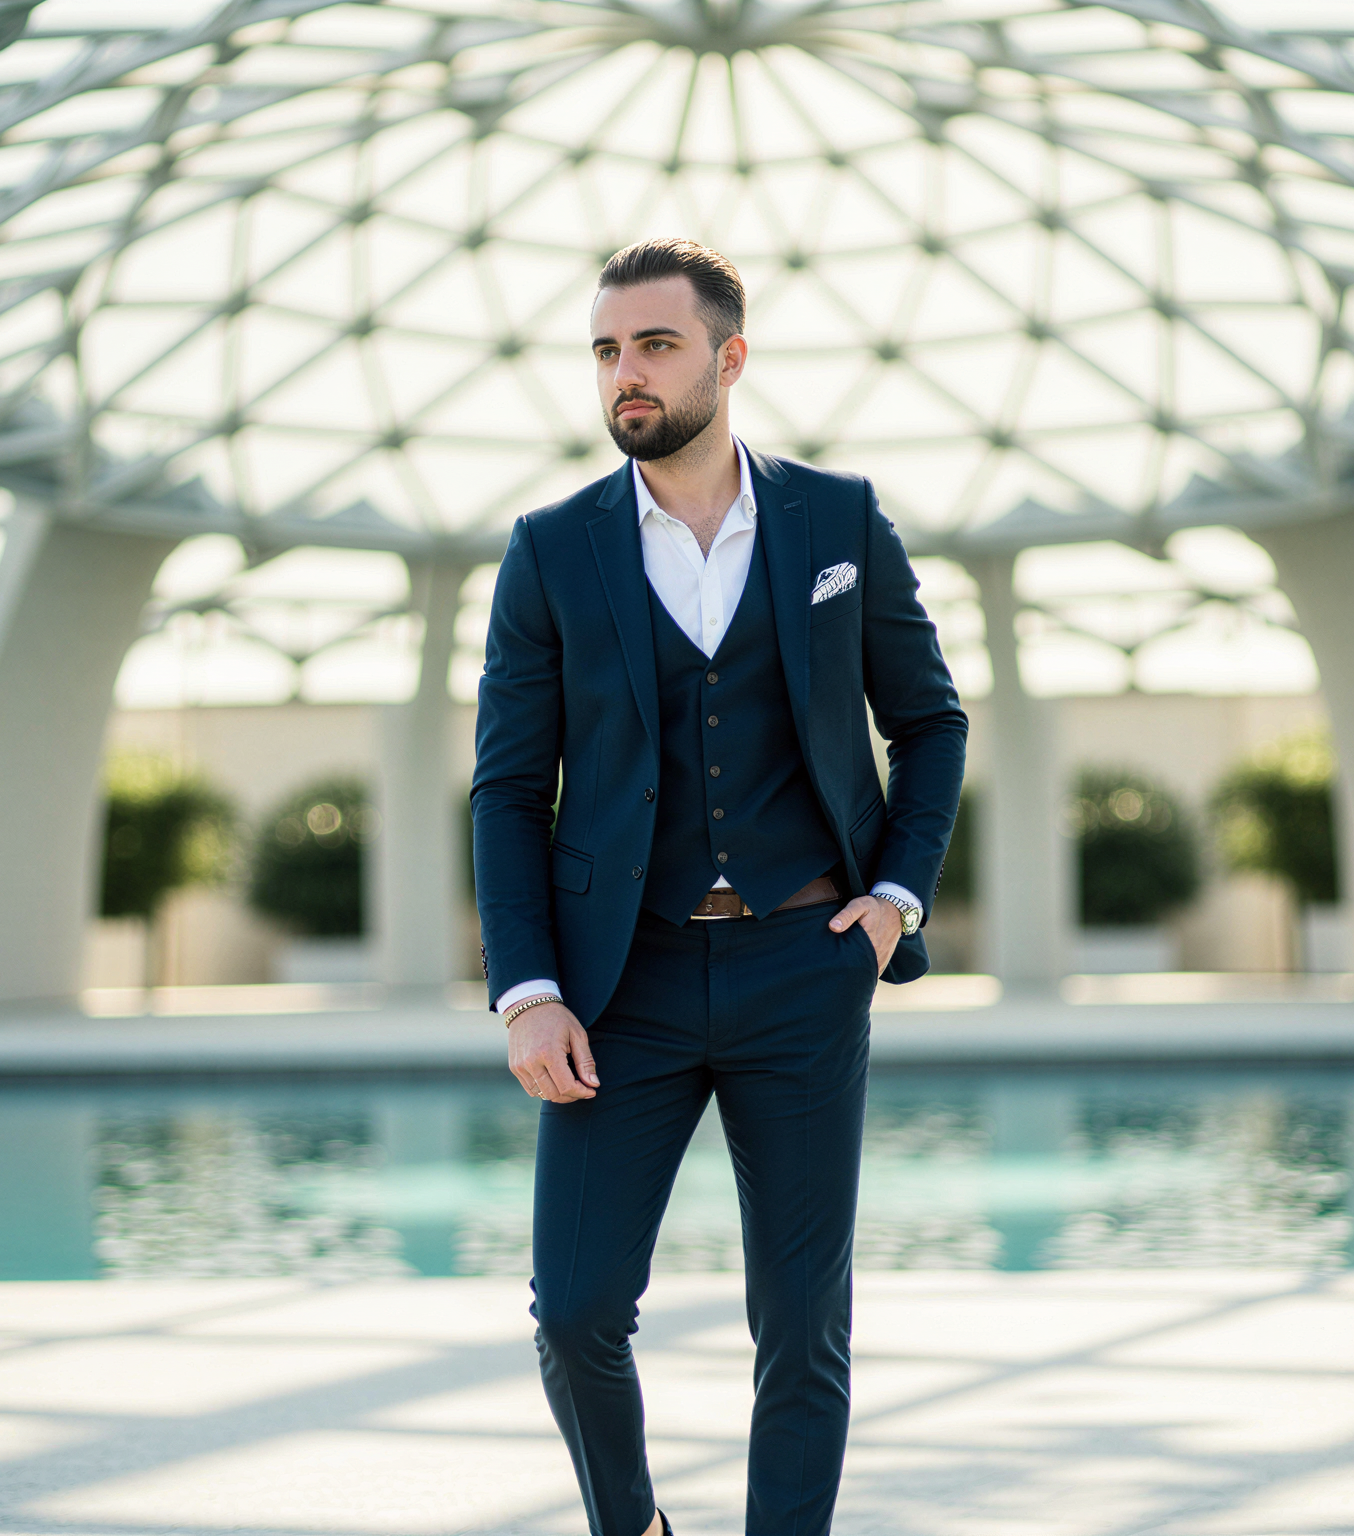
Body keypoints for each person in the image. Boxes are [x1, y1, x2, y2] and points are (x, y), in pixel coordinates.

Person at [471, 237, 967, 1536]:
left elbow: (932, 722)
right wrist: (527, 991)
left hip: (804, 968)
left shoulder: (838, 523)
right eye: (605, 350)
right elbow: (510, 790)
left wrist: (893, 905)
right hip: (613, 985)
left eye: (654, 345)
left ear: (729, 357)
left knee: (802, 1323)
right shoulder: (549, 550)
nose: (623, 375)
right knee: (575, 1309)